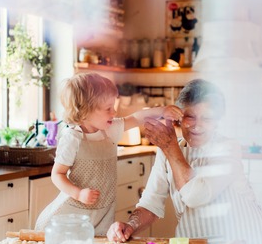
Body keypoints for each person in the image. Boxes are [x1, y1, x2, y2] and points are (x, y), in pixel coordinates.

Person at [107, 79, 262, 244]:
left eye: (207, 118)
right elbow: (150, 204)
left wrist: (170, 147)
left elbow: (196, 196)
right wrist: (130, 226)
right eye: (190, 116)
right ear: (179, 117)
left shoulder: (228, 148)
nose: (197, 125)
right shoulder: (167, 150)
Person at [35, 73, 183, 235]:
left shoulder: (110, 130)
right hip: (73, 216)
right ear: (85, 111)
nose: (114, 112)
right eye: (108, 108)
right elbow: (57, 174)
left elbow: (136, 118)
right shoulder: (72, 138)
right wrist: (78, 193)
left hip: (101, 215)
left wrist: (163, 111)